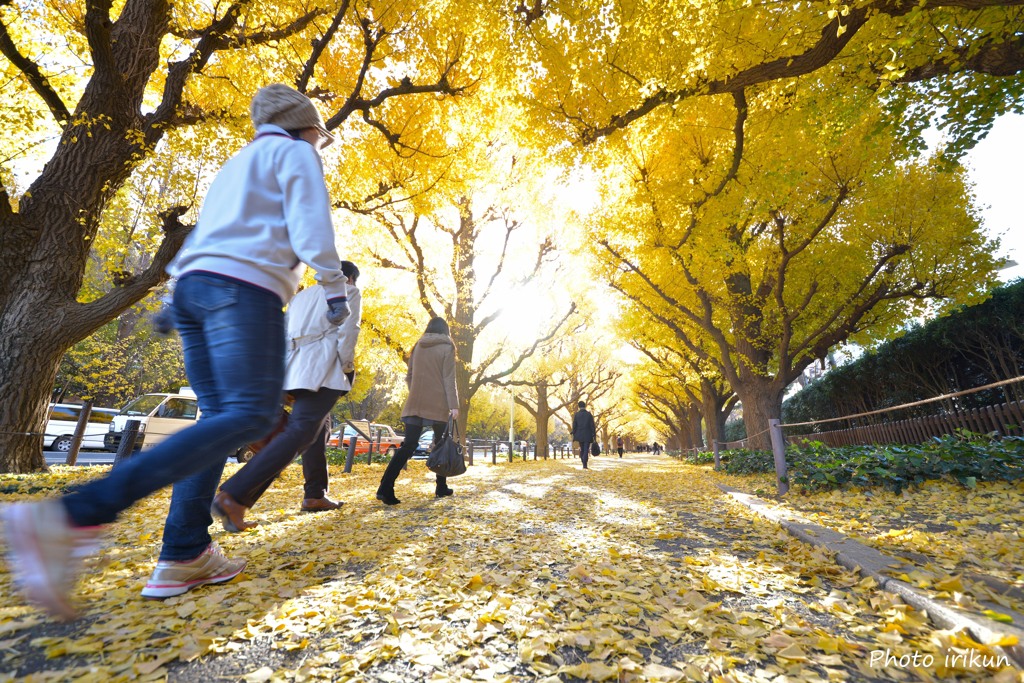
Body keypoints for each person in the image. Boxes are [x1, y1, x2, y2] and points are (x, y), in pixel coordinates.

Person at [0, 83, 350, 619]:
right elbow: (310, 225)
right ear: (304, 127)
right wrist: (332, 286)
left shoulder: (238, 163)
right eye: (319, 139)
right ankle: (69, 517)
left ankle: (184, 552)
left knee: (219, 418)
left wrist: (175, 302)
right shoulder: (295, 152)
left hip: (195, 289)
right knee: (251, 414)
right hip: (246, 289)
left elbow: (207, 234)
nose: (318, 148)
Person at [210, 261, 363, 532]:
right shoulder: (348, 291)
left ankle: (312, 494)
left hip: (292, 370)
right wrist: (347, 369)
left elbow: (280, 334)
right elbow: (348, 332)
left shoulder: (301, 297)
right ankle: (233, 496)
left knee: (313, 431)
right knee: (299, 434)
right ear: (350, 277)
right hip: (323, 368)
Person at [376, 317, 459, 504]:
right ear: (445, 330)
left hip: (416, 401)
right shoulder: (448, 347)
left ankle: (385, 487)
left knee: (409, 445)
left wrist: (415, 393)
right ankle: (441, 486)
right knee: (441, 443)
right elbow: (449, 379)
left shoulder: (418, 346)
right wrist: (454, 405)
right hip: (438, 403)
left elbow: (410, 376)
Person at [571, 401, 596, 470]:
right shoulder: (588, 414)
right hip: (588, 434)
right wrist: (594, 434)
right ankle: (585, 463)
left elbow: (574, 425)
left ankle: (583, 461)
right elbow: (592, 425)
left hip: (579, 434)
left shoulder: (577, 415)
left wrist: (573, 432)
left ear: (579, 407)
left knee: (582, 448)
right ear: (585, 406)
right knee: (586, 449)